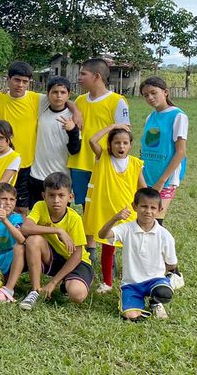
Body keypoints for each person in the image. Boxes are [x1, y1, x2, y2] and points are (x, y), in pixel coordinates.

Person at [98, 188, 179, 320]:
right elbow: (102, 235)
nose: (148, 211)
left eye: (153, 208)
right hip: (131, 284)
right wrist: (115, 218)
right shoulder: (126, 229)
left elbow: (172, 264)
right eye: (144, 206)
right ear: (134, 206)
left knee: (163, 292)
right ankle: (139, 303)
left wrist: (164, 272)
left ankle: (155, 301)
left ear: (160, 210)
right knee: (130, 316)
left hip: (155, 281)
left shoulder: (165, 235)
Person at [83, 124, 145, 294]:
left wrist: (145, 206)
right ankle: (107, 282)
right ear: (109, 144)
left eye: (125, 143)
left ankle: (136, 279)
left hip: (127, 212)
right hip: (107, 214)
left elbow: (142, 188)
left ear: (130, 145)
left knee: (133, 248)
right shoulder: (102, 156)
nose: (121, 146)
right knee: (108, 248)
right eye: (117, 142)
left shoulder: (135, 164)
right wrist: (113, 126)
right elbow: (92, 140)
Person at [19, 172, 92, 310]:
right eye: (51, 195)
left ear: (70, 197)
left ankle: (69, 281)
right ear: (44, 196)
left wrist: (53, 283)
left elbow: (77, 256)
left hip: (77, 262)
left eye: (61, 195)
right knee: (33, 240)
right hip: (54, 257)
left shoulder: (75, 219)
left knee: (77, 295)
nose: (56, 200)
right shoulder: (40, 206)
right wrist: (58, 230)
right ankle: (35, 291)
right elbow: (25, 228)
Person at [0, 61, 48, 215]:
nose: (20, 85)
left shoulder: (37, 99)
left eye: (25, 81)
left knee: (21, 207)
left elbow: (62, 99)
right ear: (8, 79)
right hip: (0, 161)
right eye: (17, 80)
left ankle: (19, 230)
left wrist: (75, 111)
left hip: (25, 163)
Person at [67, 57, 130, 209]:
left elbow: (125, 134)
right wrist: (74, 108)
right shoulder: (80, 100)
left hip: (103, 162)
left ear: (96, 76)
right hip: (79, 163)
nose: (79, 78)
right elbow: (62, 101)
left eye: (83, 74)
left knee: (104, 206)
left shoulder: (117, 101)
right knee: (86, 207)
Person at [139, 76, 188, 222]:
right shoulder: (150, 117)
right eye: (146, 95)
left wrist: (161, 181)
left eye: (154, 93)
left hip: (165, 178)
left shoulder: (178, 116)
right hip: (147, 174)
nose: (150, 97)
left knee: (155, 220)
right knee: (143, 220)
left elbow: (181, 152)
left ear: (165, 92)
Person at [29, 77, 81, 209]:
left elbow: (74, 150)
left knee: (59, 215)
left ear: (68, 95)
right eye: (55, 92)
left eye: (63, 92)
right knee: (38, 214)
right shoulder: (40, 110)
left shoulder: (73, 117)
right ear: (48, 94)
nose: (58, 96)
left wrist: (72, 130)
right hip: (37, 174)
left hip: (61, 176)